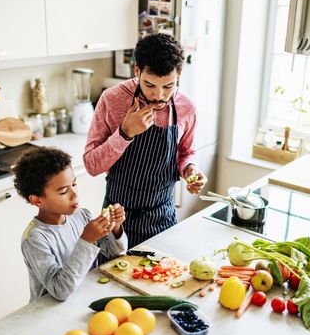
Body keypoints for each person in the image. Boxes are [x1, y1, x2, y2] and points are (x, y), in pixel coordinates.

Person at [83, 33, 206, 248]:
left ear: (179, 74)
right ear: (137, 71)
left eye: (168, 86)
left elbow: (186, 153)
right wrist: (124, 133)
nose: (158, 96)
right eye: (150, 85)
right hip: (116, 221)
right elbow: (92, 166)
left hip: (162, 218)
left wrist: (190, 171)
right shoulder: (112, 100)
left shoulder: (187, 107)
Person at [13, 147, 127, 302]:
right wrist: (86, 240)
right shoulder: (35, 239)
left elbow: (114, 254)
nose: (75, 195)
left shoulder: (82, 216)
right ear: (37, 200)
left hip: (85, 300)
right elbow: (60, 290)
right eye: (63, 191)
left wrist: (116, 228)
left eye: (74, 184)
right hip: (49, 314)